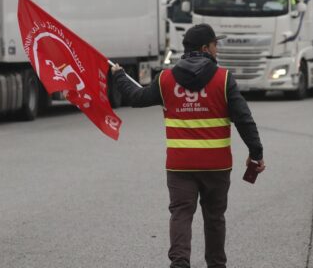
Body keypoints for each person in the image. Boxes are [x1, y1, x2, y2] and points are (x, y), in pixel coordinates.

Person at [111, 23, 265, 268]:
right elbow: (244, 120)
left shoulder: (166, 79)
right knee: (214, 218)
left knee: (181, 214)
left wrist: (119, 76)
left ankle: (180, 264)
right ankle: (216, 264)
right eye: (215, 45)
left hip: (180, 165)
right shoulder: (224, 80)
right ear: (205, 48)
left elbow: (136, 97)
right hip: (216, 166)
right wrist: (255, 153)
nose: (217, 50)